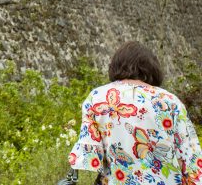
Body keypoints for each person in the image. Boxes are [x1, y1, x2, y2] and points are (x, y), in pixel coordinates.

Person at [69, 41, 202, 184]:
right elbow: (192, 160)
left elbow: (90, 157)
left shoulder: (97, 97)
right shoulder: (170, 101)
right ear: (152, 68)